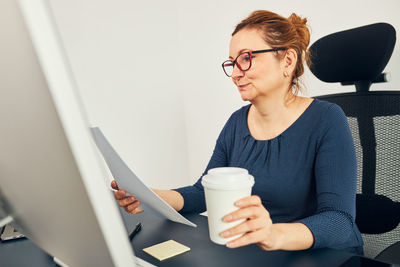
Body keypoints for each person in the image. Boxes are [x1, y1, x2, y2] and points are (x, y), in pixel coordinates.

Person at [112, 10, 364, 254]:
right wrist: (148, 196)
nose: (234, 74)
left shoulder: (327, 119)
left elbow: (339, 220)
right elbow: (203, 193)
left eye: (246, 58)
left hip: (324, 257)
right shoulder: (236, 122)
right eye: (232, 63)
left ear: (287, 60)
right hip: (261, 253)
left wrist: (273, 234)